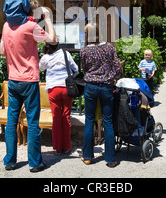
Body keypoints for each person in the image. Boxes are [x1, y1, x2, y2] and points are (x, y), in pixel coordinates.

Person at [0, 5, 56, 173]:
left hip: (13, 80)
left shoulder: (6, 26)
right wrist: (47, 19)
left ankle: (10, 161)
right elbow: (53, 39)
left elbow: (2, 51)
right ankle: (34, 163)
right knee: (32, 123)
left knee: (12, 121)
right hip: (29, 80)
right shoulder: (31, 26)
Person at [80, 23, 122, 168]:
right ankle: (110, 160)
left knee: (89, 120)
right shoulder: (110, 47)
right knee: (108, 122)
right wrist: (112, 77)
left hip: (91, 86)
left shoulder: (84, 51)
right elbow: (117, 67)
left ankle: (87, 157)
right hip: (107, 86)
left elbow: (83, 69)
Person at [39, 42, 78, 154]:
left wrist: (43, 55)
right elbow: (75, 68)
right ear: (57, 45)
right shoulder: (65, 54)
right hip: (66, 88)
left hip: (53, 89)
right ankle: (67, 146)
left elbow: (40, 68)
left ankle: (58, 148)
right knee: (66, 117)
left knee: (56, 118)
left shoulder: (46, 57)